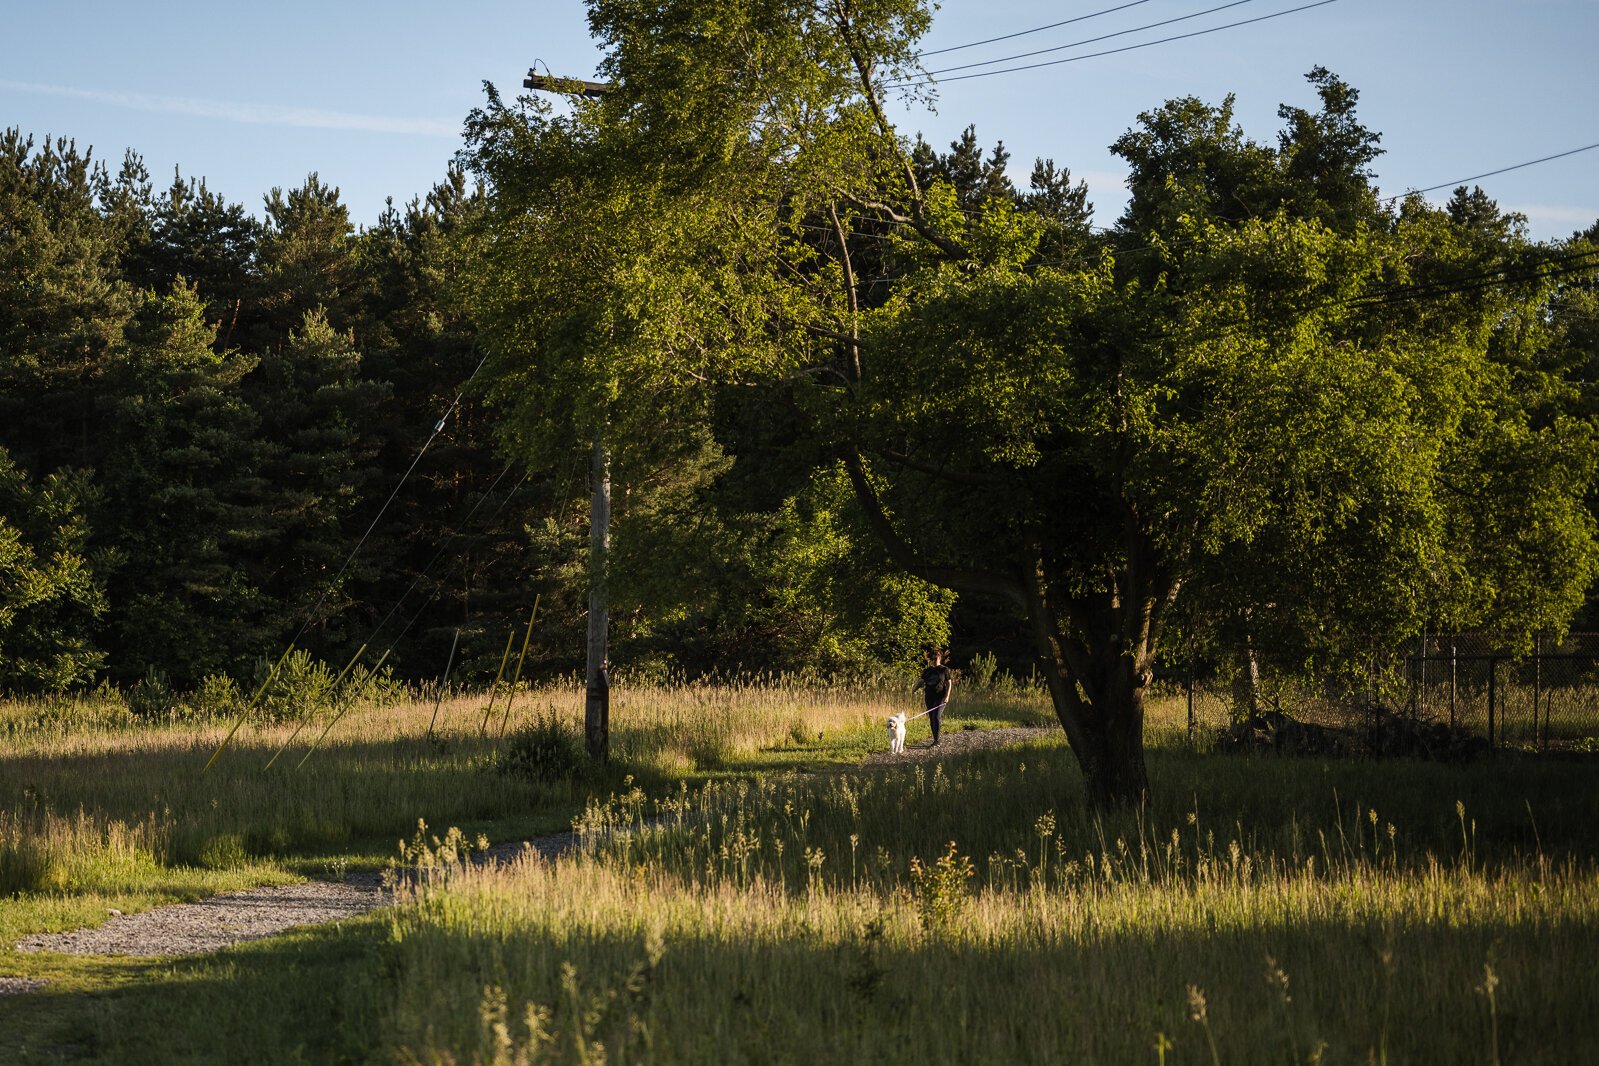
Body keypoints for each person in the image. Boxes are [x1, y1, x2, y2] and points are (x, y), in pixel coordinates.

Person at [913, 646, 955, 746]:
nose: (934, 660)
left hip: (940, 696)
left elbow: (949, 683)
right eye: (932, 658)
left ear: (940, 658)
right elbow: (921, 681)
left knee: (936, 716)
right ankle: (935, 739)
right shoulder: (927, 671)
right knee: (932, 718)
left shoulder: (944, 670)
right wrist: (914, 689)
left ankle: (937, 741)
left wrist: (947, 696)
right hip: (929, 696)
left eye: (936, 658)